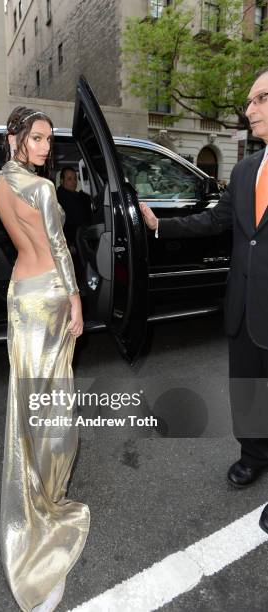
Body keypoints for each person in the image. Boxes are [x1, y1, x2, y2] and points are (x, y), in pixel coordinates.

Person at [139, 68, 268, 535]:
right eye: (248, 101)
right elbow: (216, 222)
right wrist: (160, 227)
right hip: (243, 306)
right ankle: (253, 455)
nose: (248, 109)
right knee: (250, 389)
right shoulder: (246, 169)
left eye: (258, 99)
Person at [0, 106, 90, 612]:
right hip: (49, 295)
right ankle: (46, 502)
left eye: (48, 140)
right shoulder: (44, 189)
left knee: (26, 395)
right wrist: (75, 298)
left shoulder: (0, 185)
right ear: (15, 138)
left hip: (19, 295)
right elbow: (57, 244)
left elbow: (20, 244)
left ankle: (29, 487)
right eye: (35, 138)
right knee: (54, 404)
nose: (44, 148)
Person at [56, 166, 91, 245]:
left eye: (75, 179)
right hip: (71, 242)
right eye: (69, 179)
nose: (74, 182)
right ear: (62, 181)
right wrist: (69, 244)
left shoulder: (77, 196)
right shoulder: (59, 198)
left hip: (81, 239)